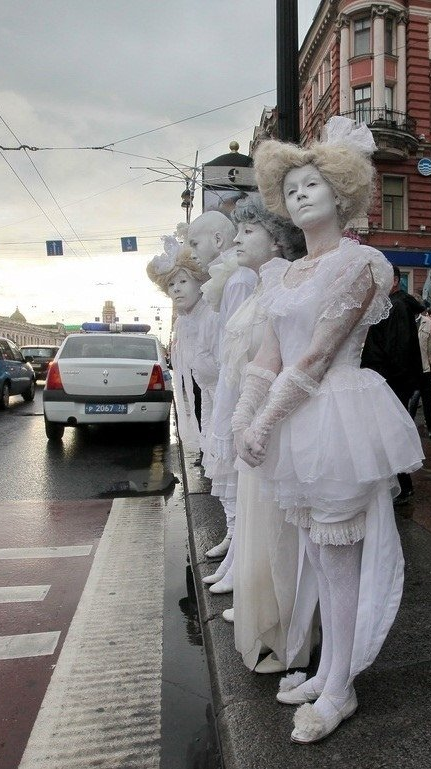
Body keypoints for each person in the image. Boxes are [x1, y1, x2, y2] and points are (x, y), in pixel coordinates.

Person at [236, 116, 422, 743]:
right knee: (317, 552)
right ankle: (329, 666)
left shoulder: (361, 263)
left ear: (342, 192)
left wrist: (264, 418)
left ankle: (340, 685)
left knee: (338, 557)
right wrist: (244, 414)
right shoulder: (282, 274)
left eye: (313, 184)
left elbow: (316, 356)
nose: (301, 194)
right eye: (291, 189)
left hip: (335, 413)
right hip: (298, 421)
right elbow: (269, 354)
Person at [202, 198, 312, 673]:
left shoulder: (285, 286)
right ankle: (266, 620)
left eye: (250, 232)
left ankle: (288, 632)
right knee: (258, 524)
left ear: (277, 240)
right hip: (252, 422)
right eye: (239, 231)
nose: (238, 239)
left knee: (278, 530)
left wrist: (256, 420)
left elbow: (289, 361)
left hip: (276, 425)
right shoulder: (258, 289)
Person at [200, 198, 274, 595]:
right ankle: (240, 561)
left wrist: (242, 412)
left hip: (260, 398)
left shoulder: (251, 282)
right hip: (245, 394)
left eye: (247, 231)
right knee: (247, 493)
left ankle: (248, 571)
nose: (236, 239)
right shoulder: (253, 280)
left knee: (259, 495)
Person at [147, 238, 217, 455]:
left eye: (183, 282)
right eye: (171, 284)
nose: (176, 289)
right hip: (208, 399)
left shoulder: (211, 316)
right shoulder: (184, 322)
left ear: (199, 281)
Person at [361, 265, 423, 504]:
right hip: (390, 378)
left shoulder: (395, 307)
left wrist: (385, 379)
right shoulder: (393, 305)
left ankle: (402, 485)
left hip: (391, 380)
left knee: (390, 433)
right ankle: (399, 483)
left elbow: (397, 347)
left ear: (395, 281)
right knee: (389, 432)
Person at [409, 305, 431, 439]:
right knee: (409, 398)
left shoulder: (426, 322)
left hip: (424, 367)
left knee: (427, 398)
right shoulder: (404, 320)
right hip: (408, 368)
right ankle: (407, 426)